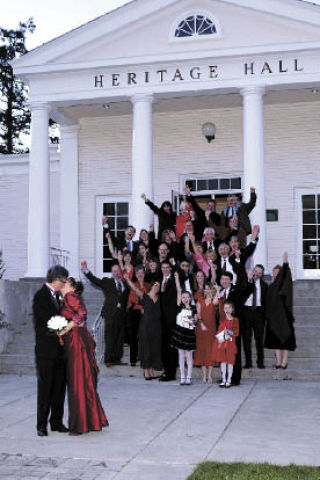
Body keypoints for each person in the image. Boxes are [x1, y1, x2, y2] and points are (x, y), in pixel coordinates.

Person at [59, 278, 108, 435]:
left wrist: (64, 329)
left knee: (78, 380)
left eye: (65, 282)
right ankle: (90, 420)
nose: (62, 284)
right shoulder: (68, 298)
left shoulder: (70, 296)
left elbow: (81, 314)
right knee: (82, 379)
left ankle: (81, 423)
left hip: (76, 341)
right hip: (77, 339)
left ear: (72, 286)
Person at [32, 265, 69, 437]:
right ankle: (41, 425)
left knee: (59, 389)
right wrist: (66, 324)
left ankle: (56, 422)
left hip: (60, 352)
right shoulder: (41, 296)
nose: (64, 284)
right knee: (45, 389)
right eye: (63, 281)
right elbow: (47, 321)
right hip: (46, 351)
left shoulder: (59, 296)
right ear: (55, 280)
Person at [81, 261, 128, 367]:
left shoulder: (124, 284)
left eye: (117, 271)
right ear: (112, 273)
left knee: (119, 338)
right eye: (114, 271)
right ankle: (108, 359)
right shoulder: (107, 281)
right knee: (110, 336)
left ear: (120, 272)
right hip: (110, 313)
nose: (116, 273)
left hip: (121, 315)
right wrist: (86, 270)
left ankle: (117, 358)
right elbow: (95, 280)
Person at [125, 275, 162, 379]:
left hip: (156, 327)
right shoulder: (144, 296)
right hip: (145, 327)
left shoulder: (159, 298)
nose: (157, 287)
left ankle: (151, 371)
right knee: (145, 348)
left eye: (158, 286)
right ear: (151, 286)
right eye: (155, 285)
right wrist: (128, 280)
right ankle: (146, 372)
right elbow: (135, 289)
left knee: (153, 349)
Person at [264, 252, 296, 369]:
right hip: (273, 317)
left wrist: (285, 263)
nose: (276, 274)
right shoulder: (270, 287)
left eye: (279, 273)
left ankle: (284, 362)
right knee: (275, 341)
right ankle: (278, 362)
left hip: (285, 316)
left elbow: (286, 276)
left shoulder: (286, 285)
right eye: (275, 272)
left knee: (286, 341)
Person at [171, 272, 197, 385]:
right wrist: (177, 279)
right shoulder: (179, 305)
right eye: (183, 297)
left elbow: (195, 322)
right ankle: (182, 376)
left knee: (189, 356)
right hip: (179, 333)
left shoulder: (194, 308)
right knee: (181, 355)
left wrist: (193, 321)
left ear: (190, 298)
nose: (185, 299)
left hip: (189, 333)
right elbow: (178, 290)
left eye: (187, 297)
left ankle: (189, 377)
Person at [242, 265, 268, 369]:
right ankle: (248, 362)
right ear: (252, 271)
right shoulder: (245, 282)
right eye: (256, 271)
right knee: (246, 339)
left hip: (258, 313)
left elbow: (266, 302)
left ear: (262, 275)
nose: (257, 274)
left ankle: (260, 362)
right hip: (246, 312)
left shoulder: (265, 285)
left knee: (259, 339)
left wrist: (264, 316)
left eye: (259, 272)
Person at [126, 266, 150, 366]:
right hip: (135, 313)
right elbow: (132, 301)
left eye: (142, 273)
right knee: (133, 336)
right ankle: (133, 359)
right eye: (138, 273)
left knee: (145, 336)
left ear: (144, 274)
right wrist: (140, 307)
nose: (140, 275)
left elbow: (148, 298)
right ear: (136, 275)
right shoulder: (133, 285)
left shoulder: (148, 285)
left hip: (146, 313)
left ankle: (144, 357)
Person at [212, 300, 239, 388]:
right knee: (223, 362)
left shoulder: (235, 320)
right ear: (223, 309)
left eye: (229, 308)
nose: (227, 310)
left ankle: (229, 380)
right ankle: (223, 379)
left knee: (230, 362)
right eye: (225, 308)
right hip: (223, 344)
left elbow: (236, 332)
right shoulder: (222, 321)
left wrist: (227, 332)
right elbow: (219, 333)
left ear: (232, 309)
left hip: (231, 345)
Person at [194, 283, 218, 383]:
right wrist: (202, 324)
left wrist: (217, 289)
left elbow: (218, 300)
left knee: (211, 350)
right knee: (203, 350)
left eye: (209, 289)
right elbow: (198, 314)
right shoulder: (200, 301)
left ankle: (210, 375)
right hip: (202, 329)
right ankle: (204, 375)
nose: (207, 291)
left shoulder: (213, 301)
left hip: (212, 329)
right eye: (205, 289)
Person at [159, 261, 178, 382]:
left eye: (167, 267)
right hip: (161, 319)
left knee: (171, 347)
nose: (165, 269)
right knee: (163, 346)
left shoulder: (174, 280)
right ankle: (166, 371)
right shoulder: (159, 280)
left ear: (170, 269)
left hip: (171, 318)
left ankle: (171, 373)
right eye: (163, 268)